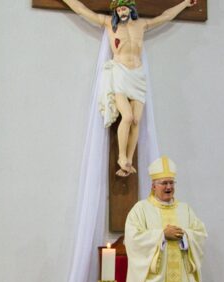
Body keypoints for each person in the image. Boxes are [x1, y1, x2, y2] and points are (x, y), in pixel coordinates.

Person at [60, 0, 197, 176]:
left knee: (136, 120)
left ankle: (128, 161)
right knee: (127, 116)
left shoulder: (142, 24)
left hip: (138, 75)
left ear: (131, 9)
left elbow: (166, 16)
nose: (121, 12)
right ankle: (121, 156)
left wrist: (185, 3)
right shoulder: (109, 23)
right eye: (118, 10)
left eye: (124, 8)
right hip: (120, 73)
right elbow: (82, 10)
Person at [124, 156, 207, 282]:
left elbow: (200, 234)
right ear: (153, 186)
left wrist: (185, 236)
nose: (169, 187)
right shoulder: (140, 209)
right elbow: (133, 239)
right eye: (164, 183)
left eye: (171, 183)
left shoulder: (185, 209)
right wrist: (161, 236)